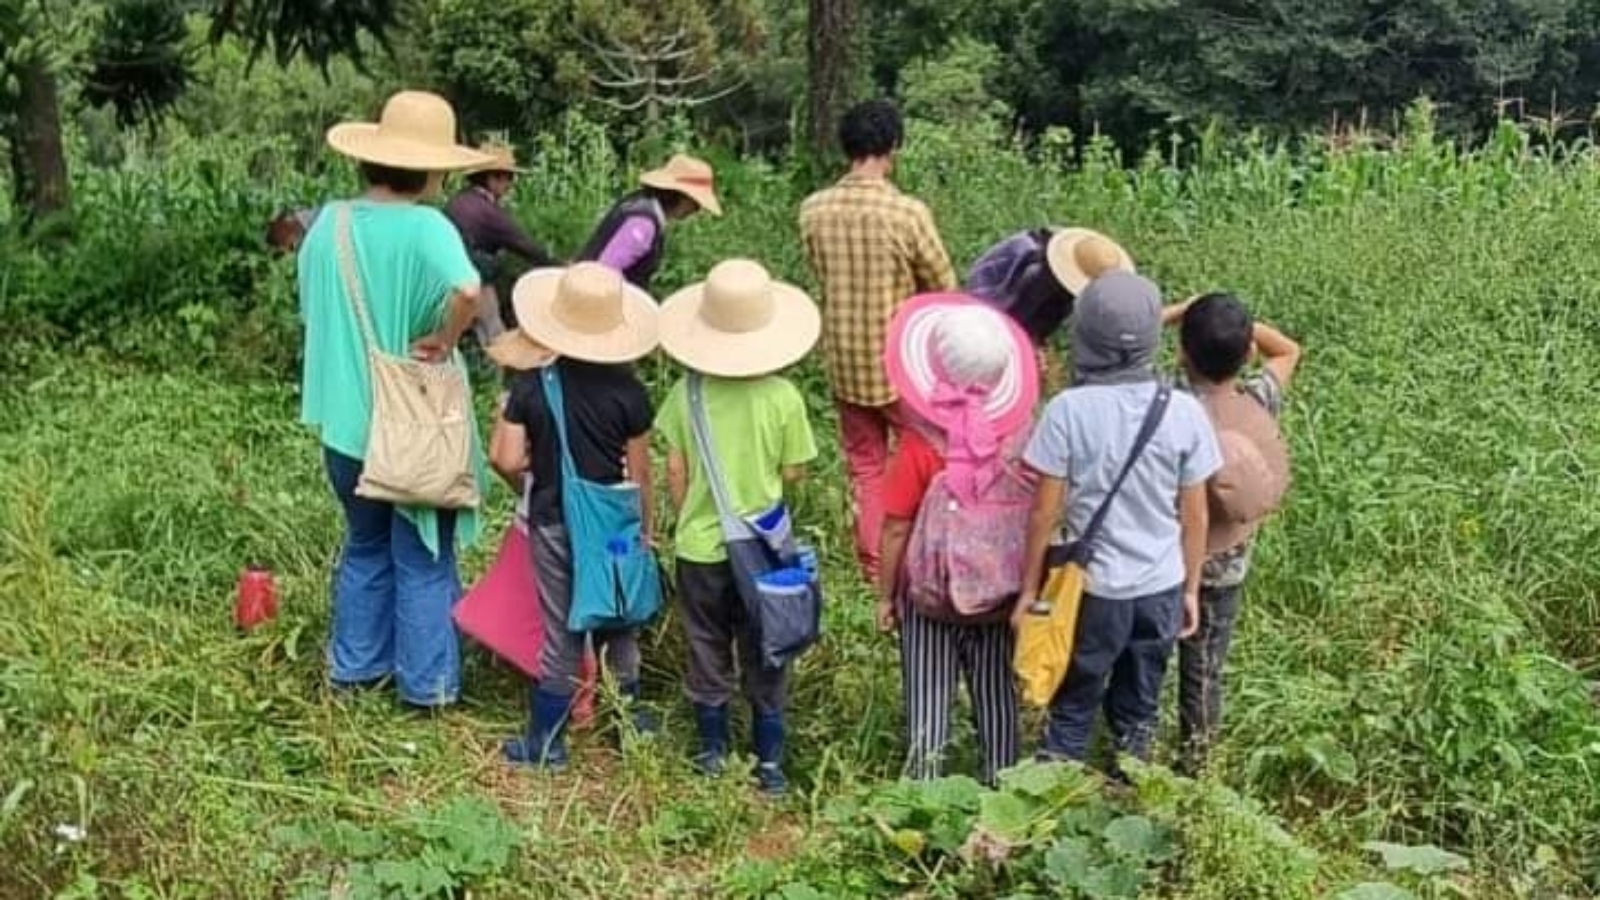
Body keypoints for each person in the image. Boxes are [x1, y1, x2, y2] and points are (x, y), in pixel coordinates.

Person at [297, 90, 493, 709]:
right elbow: (469, 289)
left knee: (364, 545)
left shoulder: (330, 224)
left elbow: (312, 307)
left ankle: (355, 672)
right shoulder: (427, 226)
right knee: (423, 556)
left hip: (344, 428)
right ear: (433, 170)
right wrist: (445, 337)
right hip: (413, 425)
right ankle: (427, 686)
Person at [1014, 271, 1223, 767]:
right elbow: (1195, 515)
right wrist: (1190, 589)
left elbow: (1044, 512)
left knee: (1073, 707)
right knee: (1140, 709)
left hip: (1093, 590)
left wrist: (1028, 591)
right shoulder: (1184, 411)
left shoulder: (1067, 411)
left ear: (1084, 332)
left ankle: (1048, 799)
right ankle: (1132, 794)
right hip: (1161, 586)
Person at [655, 259, 821, 796]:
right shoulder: (783, 397)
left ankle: (712, 754)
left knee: (706, 644)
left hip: (700, 549)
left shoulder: (687, 393)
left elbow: (675, 470)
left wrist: (690, 516)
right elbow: (793, 473)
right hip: (763, 547)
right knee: (766, 644)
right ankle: (769, 765)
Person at [489, 262, 660, 770]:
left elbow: (505, 457)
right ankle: (627, 730)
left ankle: (546, 745)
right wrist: (646, 531)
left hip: (553, 520)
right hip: (614, 530)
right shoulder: (630, 393)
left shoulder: (533, 386)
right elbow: (640, 472)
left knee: (561, 629)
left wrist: (529, 485)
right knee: (618, 619)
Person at [878, 294, 1040, 785]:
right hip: (998, 595)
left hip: (928, 599)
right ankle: (1005, 791)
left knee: (927, 702)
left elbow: (896, 526)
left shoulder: (919, 444)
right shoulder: (1024, 438)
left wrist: (886, 596)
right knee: (997, 697)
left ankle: (924, 794)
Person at [800, 99, 957, 583]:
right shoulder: (907, 213)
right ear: (893, 146)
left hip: (845, 361)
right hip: (902, 364)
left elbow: (820, 272)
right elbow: (944, 286)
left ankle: (873, 566)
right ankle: (923, 555)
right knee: (927, 455)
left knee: (865, 466)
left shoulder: (813, 209)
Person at [1164, 293, 1300, 771]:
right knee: (1204, 672)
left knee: (1142, 663)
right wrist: (1241, 328)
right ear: (1247, 356)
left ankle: (1130, 753)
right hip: (1223, 565)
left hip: (1162, 559)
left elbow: (1125, 348)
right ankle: (1195, 766)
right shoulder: (1258, 400)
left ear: (1182, 351)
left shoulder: (1167, 401)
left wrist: (1179, 311)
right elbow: (1288, 350)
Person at [965, 227, 1133, 392]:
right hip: (987, 306)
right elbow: (1006, 319)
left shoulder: (1065, 263)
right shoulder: (1035, 275)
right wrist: (1028, 348)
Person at [444, 143, 559, 345]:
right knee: (494, 335)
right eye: (508, 177)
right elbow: (524, 245)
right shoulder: (488, 212)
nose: (511, 184)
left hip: (445, 279)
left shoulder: (458, 201)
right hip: (474, 283)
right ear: (492, 178)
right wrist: (559, 265)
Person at [576, 154, 722, 290]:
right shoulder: (643, 223)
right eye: (695, 203)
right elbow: (605, 271)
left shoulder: (638, 203)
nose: (697, 209)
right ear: (681, 196)